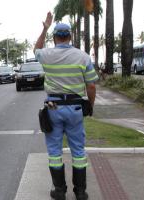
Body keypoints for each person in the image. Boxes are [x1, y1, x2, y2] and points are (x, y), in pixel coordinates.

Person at [34, 12, 98, 200]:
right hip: (75, 109)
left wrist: (45, 27)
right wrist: (90, 106)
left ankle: (59, 190)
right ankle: (80, 192)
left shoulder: (47, 54)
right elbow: (91, 85)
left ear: (54, 38)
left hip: (53, 107)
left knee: (54, 151)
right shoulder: (83, 57)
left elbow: (36, 49)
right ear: (70, 37)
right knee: (78, 151)